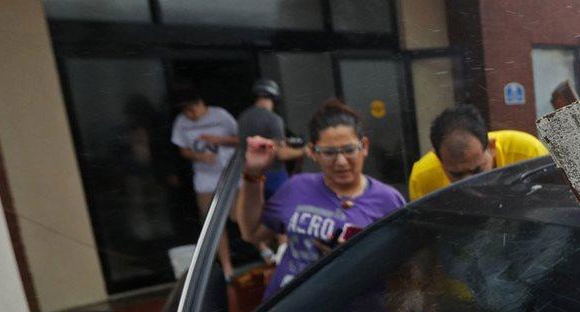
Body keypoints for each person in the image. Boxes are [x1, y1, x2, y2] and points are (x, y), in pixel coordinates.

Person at [235, 99, 405, 300]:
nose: (340, 161)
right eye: (329, 152)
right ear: (313, 152)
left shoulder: (388, 201)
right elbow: (252, 234)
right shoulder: (296, 187)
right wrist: (253, 174)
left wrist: (353, 260)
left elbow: (403, 268)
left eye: (349, 150)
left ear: (364, 146)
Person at [407, 105, 548, 200]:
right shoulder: (423, 178)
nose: (469, 184)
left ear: (491, 147)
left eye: (477, 171)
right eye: (457, 175)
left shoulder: (528, 153)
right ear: (438, 159)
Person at [171, 88, 240, 277]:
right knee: (213, 222)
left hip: (228, 173)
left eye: (192, 110)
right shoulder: (181, 123)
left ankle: (265, 247)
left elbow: (241, 139)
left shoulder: (220, 116)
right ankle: (226, 266)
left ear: (201, 104)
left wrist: (219, 140)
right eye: (186, 112)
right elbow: (182, 150)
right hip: (204, 178)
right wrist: (198, 156)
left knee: (237, 215)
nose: (190, 115)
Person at [235, 78, 303, 199]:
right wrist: (304, 151)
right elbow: (280, 153)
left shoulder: (243, 117)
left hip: (251, 173)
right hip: (274, 174)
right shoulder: (274, 119)